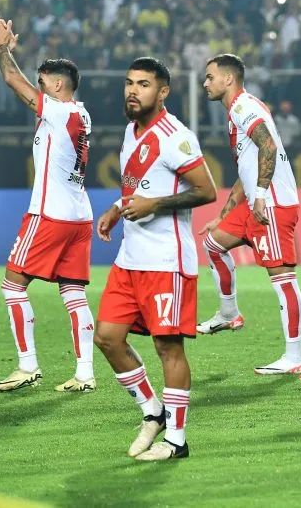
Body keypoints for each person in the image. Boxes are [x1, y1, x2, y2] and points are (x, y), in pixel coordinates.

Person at [93, 57, 217, 461]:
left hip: (167, 262)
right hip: (131, 258)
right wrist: (118, 205)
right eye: (129, 83)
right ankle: (152, 410)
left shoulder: (176, 137)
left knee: (169, 350)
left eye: (143, 84)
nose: (133, 90)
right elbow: (141, 185)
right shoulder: (132, 130)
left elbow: (205, 192)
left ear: (162, 91)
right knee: (107, 338)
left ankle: (177, 441)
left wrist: (154, 205)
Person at [0, 17, 96, 395]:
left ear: (58, 85)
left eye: (44, 82)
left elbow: (13, 83)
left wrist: (2, 49)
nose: (38, 87)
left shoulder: (60, 111)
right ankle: (85, 373)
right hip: (79, 215)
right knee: (73, 293)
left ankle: (27, 365)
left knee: (12, 286)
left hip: (50, 214)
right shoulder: (80, 114)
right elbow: (24, 90)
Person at [197, 53, 301, 376]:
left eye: (210, 77)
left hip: (271, 204)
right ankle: (229, 313)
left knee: (282, 277)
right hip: (253, 201)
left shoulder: (244, 107)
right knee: (213, 244)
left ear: (228, 79)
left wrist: (260, 197)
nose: (205, 83)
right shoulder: (239, 110)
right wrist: (223, 214)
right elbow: (248, 168)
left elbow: (268, 147)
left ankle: (294, 356)